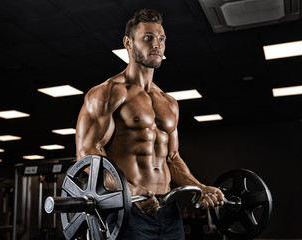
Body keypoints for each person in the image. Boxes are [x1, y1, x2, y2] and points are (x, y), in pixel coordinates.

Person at [75, 8, 224, 239]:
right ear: (128, 42)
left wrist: (199, 187)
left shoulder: (169, 103)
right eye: (148, 38)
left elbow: (173, 159)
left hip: (168, 210)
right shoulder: (107, 93)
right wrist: (130, 191)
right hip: (127, 208)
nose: (157, 45)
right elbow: (87, 155)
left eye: (161, 39)